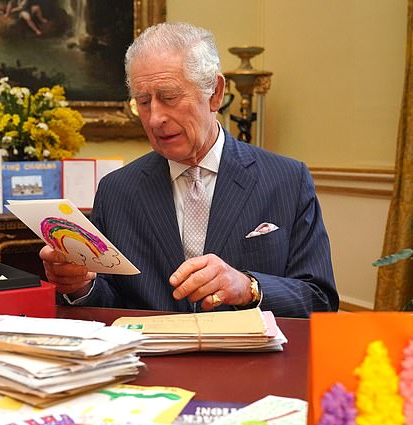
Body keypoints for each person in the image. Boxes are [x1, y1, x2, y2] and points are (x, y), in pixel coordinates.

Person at [39, 22, 339, 318]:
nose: (155, 118)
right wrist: (80, 286)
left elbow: (320, 300)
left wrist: (250, 288)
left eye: (169, 97)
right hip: (150, 362)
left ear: (215, 94)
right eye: (143, 102)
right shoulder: (117, 190)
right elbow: (109, 301)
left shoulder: (286, 180)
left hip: (248, 363)